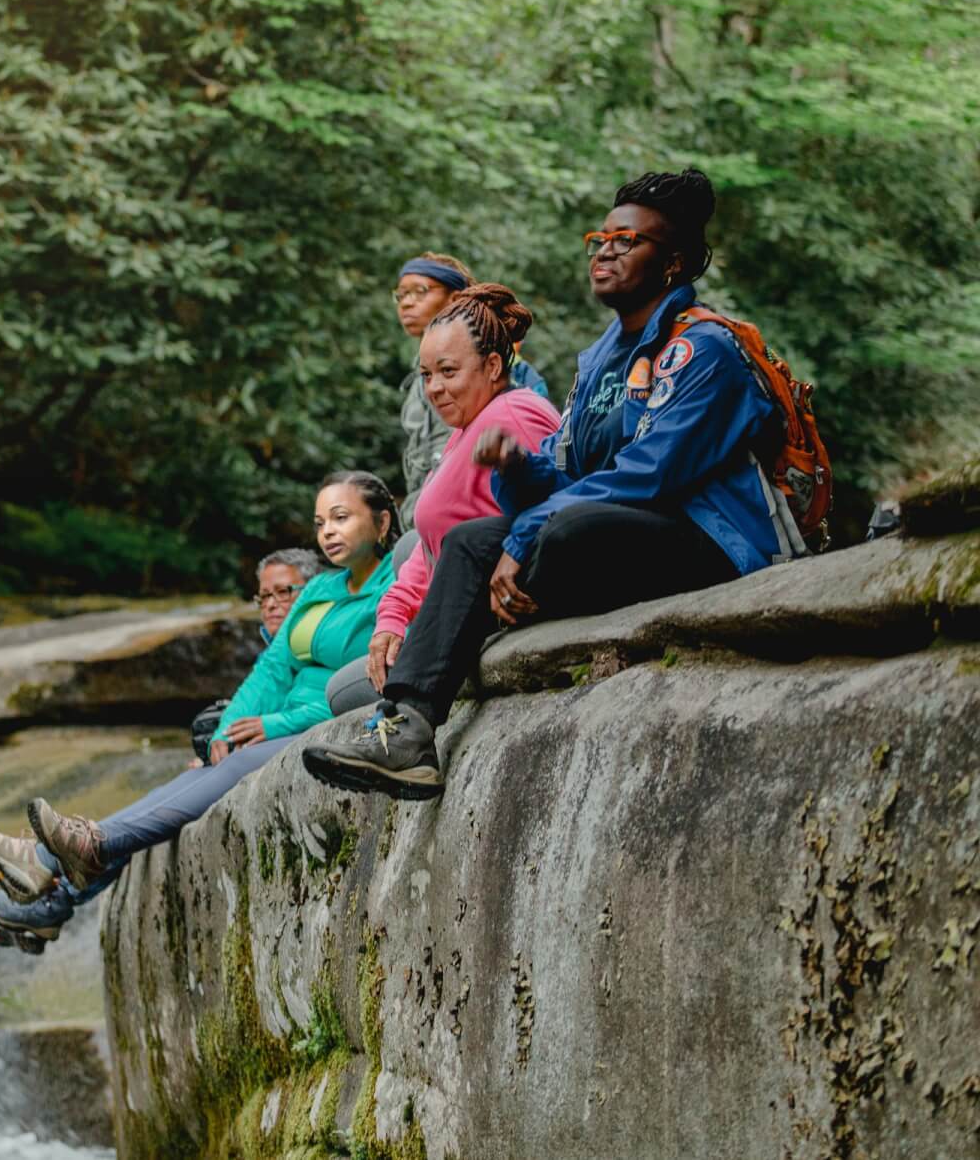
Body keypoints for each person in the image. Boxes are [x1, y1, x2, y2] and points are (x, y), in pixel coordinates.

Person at [303, 168, 792, 801]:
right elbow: (566, 474)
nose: (606, 250)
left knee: (563, 531)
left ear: (672, 264)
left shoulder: (702, 350)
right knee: (476, 540)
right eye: (602, 237)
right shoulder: (599, 363)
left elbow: (649, 474)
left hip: (708, 541)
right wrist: (515, 469)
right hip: (612, 531)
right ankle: (407, 729)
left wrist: (528, 532)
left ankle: (507, 600)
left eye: (628, 240)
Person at [0, 472, 402, 952]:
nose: (328, 532)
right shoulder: (321, 590)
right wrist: (229, 726)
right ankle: (52, 872)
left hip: (325, 722)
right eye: (320, 522)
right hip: (278, 724)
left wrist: (273, 724)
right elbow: (273, 668)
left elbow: (366, 681)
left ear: (381, 524)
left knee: (225, 769)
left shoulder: (393, 589)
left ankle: (56, 866)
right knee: (193, 777)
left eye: (341, 518)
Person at [343, 282, 563, 714]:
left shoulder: (515, 415)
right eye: (427, 375)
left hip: (481, 611)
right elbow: (427, 554)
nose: (434, 388)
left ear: (494, 365)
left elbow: (552, 505)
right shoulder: (465, 429)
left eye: (448, 372)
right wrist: (390, 619)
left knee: (342, 693)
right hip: (442, 600)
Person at [394, 254, 549, 534]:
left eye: (420, 291)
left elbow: (541, 490)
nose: (406, 302)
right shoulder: (420, 382)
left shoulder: (514, 394)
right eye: (401, 294)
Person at [189, 548, 322, 766]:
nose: (270, 604)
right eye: (265, 595)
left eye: (283, 592)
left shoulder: (324, 648)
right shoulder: (267, 656)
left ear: (312, 591)